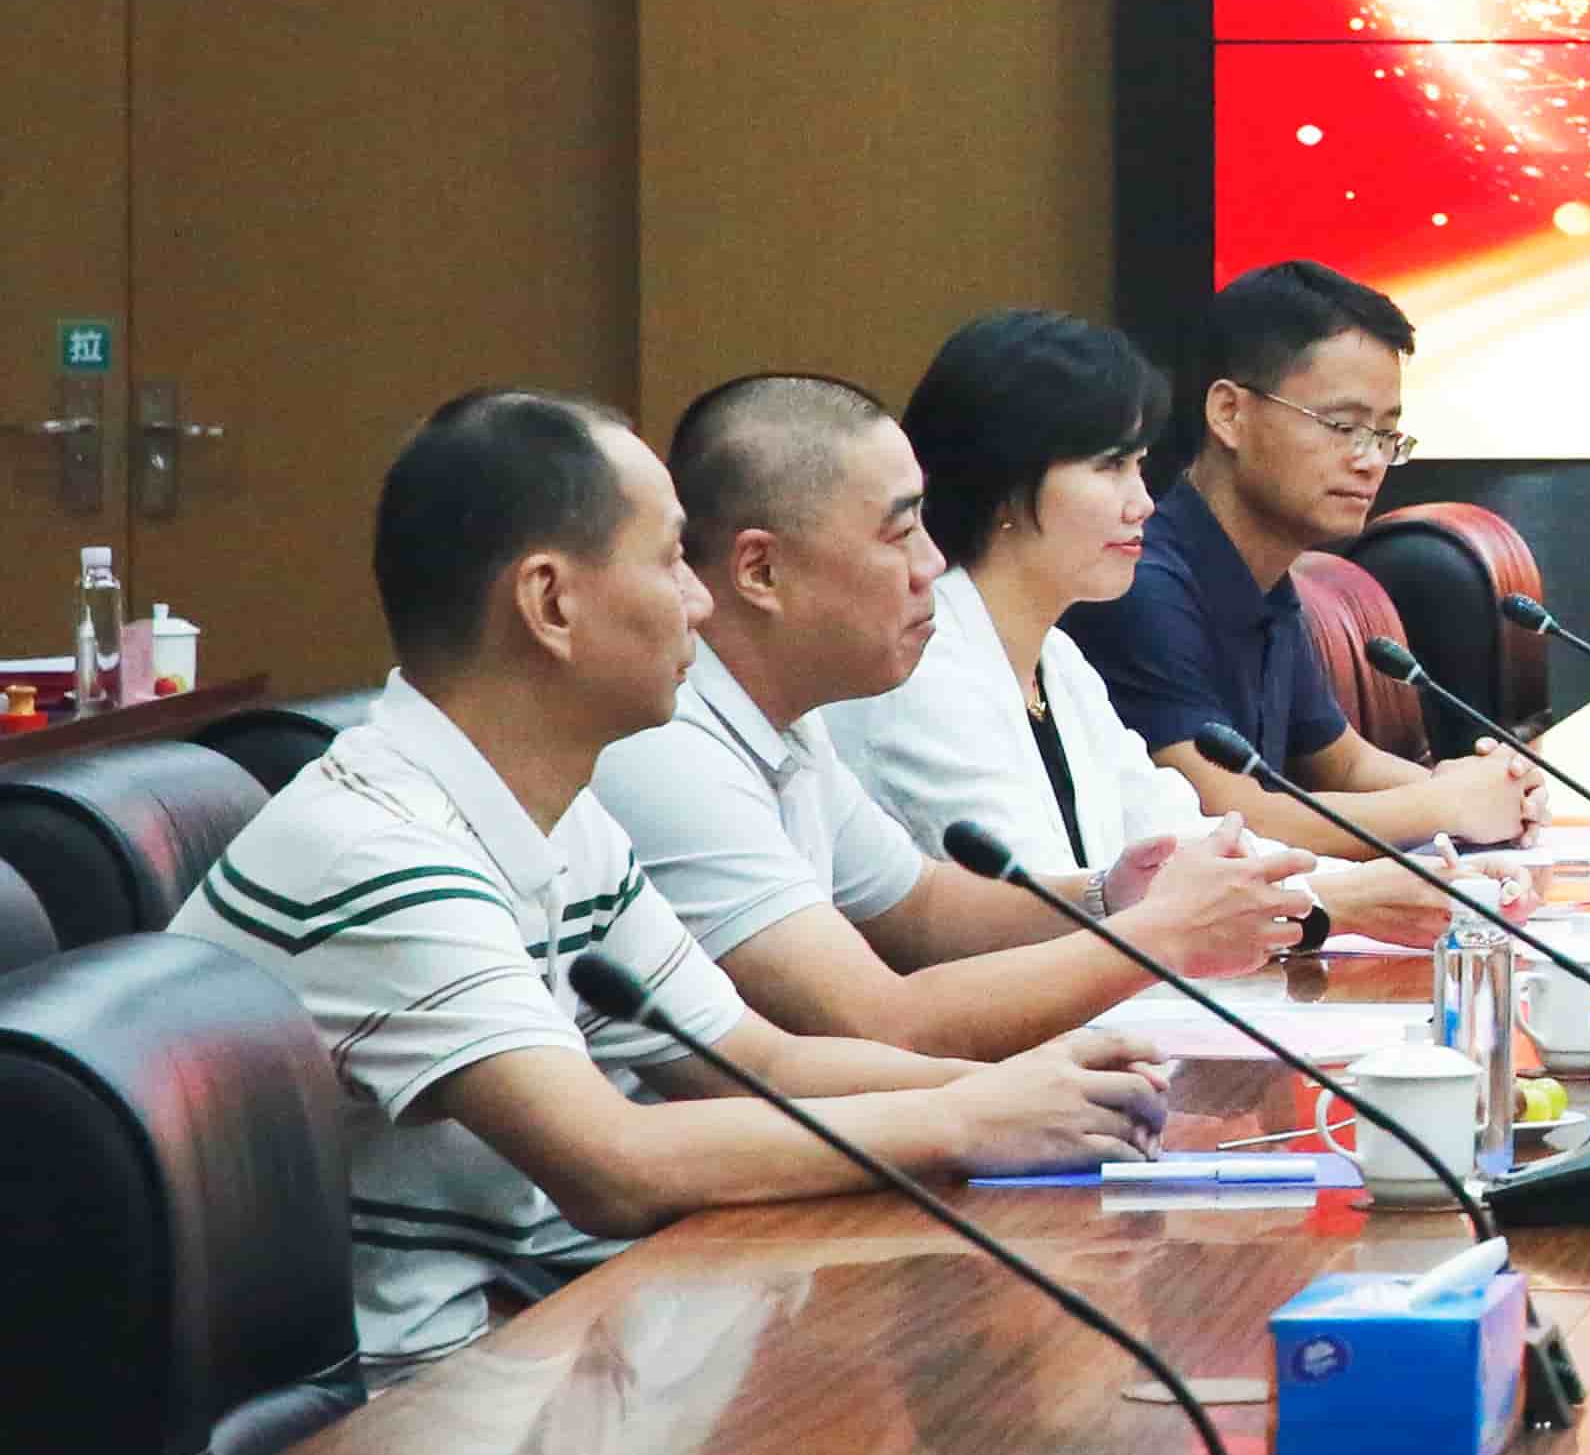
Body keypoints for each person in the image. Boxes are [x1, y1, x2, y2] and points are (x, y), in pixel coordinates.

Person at [176, 391, 1166, 1369]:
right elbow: (611, 1164)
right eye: (668, 562)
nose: (699, 600)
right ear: (551, 603)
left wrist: (1037, 1093)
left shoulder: (557, 816)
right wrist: (966, 1118)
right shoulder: (383, 850)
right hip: (399, 1402)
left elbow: (758, 1060)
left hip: (541, 1335)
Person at [592, 374, 1316, 1059]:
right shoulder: (668, 748)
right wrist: (1161, 934)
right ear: (761, 570)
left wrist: (1111, 895)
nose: (932, 563)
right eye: (900, 533)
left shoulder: (787, 719)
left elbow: (921, 905)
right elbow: (879, 1019)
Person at [835, 310, 1466, 935]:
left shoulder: (1058, 659)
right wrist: (1338, 903)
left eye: (1138, 466)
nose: (1141, 502)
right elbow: (1045, 914)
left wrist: (1411, 886)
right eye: (1110, 467)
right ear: (1004, 478)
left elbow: (1179, 837)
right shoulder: (923, 666)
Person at [1069, 259, 1532, 860]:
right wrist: (1446, 805)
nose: (1370, 461)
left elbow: (1345, 763)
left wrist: (1488, 790)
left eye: (1386, 435)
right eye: (1342, 426)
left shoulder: (1264, 574)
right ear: (1229, 413)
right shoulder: (1141, 583)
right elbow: (1228, 817)